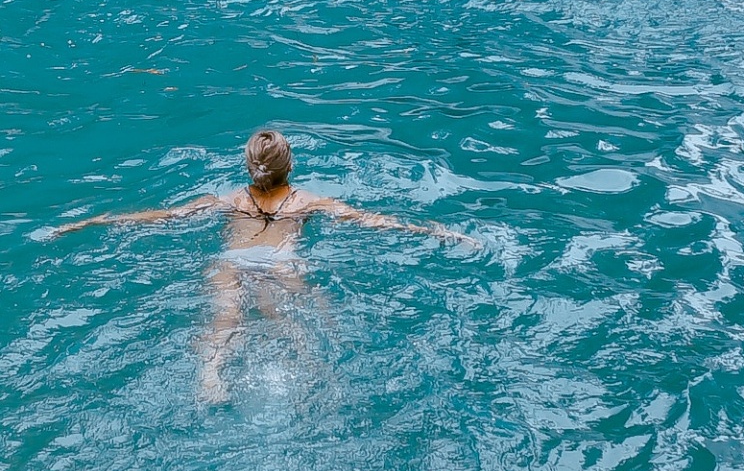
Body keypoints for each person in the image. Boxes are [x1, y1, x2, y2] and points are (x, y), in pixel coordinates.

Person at [53, 128, 472, 401]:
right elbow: (375, 223)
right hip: (281, 265)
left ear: (249, 167)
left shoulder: (230, 200)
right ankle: (314, 378)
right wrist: (439, 232)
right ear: (290, 165)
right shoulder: (308, 202)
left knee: (224, 321)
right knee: (297, 325)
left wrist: (94, 221)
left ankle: (212, 375)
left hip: (231, 262)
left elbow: (160, 218)